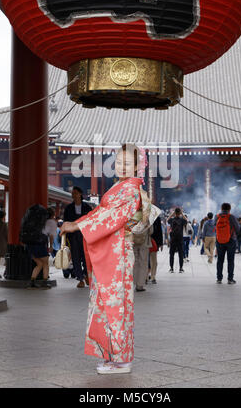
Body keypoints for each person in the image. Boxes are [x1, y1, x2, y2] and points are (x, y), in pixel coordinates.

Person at [60, 143, 159, 375]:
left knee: (115, 304)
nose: (122, 166)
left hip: (118, 253)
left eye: (128, 163)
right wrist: (81, 222)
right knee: (108, 302)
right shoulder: (121, 187)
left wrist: (78, 224)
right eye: (119, 162)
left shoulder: (130, 190)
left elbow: (110, 216)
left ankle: (121, 358)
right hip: (114, 252)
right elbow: (101, 213)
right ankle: (113, 354)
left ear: (138, 165)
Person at [63, 186, 93, 288]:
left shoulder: (87, 207)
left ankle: (86, 275)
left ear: (80, 194)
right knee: (75, 258)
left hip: (85, 236)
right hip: (73, 237)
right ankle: (80, 279)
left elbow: (91, 221)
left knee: (86, 258)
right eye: (72, 193)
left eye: (75, 193)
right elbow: (65, 222)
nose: (73, 195)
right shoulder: (68, 208)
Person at [215, 203, 240, 285]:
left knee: (220, 260)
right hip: (231, 240)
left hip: (219, 241)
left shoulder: (217, 216)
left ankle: (219, 278)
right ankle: (230, 279)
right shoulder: (231, 217)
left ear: (221, 208)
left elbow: (214, 227)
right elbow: (237, 228)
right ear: (229, 209)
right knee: (230, 260)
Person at [168, 208, 187, 273]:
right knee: (180, 254)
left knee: (171, 254)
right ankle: (181, 268)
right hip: (180, 239)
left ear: (175, 213)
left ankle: (171, 268)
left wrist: (172, 214)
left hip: (173, 239)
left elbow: (167, 220)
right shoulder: (182, 220)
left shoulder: (172, 220)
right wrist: (182, 213)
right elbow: (186, 220)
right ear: (179, 213)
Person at [149, 216, 163, 284]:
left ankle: (152, 276)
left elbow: (159, 231)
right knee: (149, 260)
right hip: (146, 240)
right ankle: (149, 276)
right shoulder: (156, 217)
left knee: (153, 260)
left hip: (154, 241)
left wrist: (160, 243)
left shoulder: (156, 217)